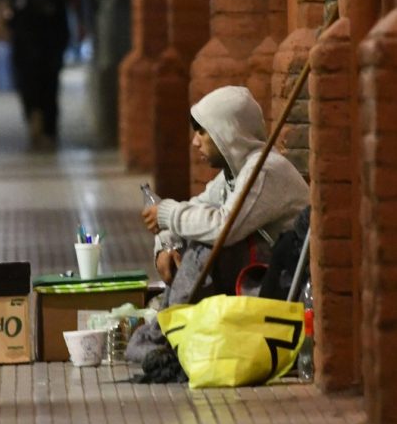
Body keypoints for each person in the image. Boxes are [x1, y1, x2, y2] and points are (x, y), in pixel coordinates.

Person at [126, 86, 310, 363]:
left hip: (286, 286)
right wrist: (166, 245)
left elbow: (224, 226)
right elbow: (197, 209)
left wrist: (166, 214)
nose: (195, 142)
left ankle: (172, 333)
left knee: (206, 246)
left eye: (203, 132)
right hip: (259, 278)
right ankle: (178, 329)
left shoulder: (265, 171)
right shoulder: (234, 174)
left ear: (228, 133)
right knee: (195, 236)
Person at [10, 0, 73, 149]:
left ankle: (49, 129)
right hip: (24, 35)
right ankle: (33, 115)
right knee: (26, 80)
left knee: (49, 83)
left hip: (48, 34)